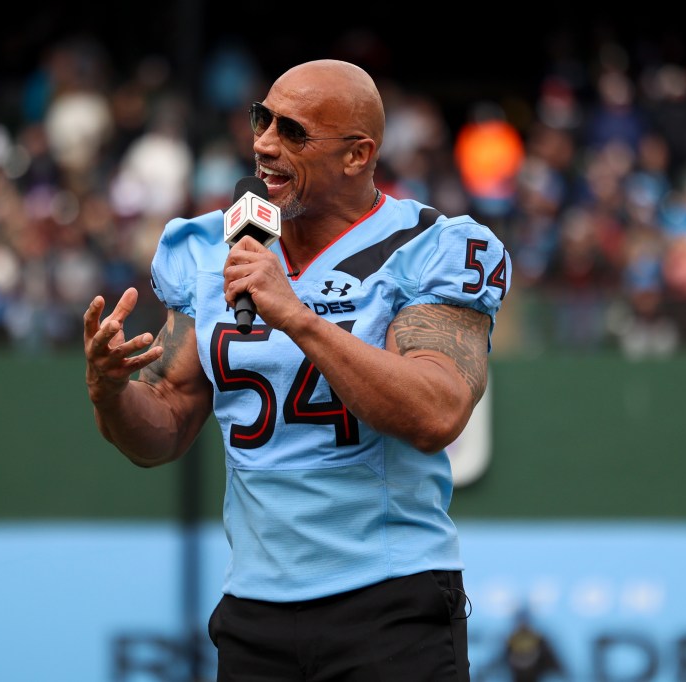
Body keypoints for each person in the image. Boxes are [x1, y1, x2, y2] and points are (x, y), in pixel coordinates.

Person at [84, 59, 511, 681]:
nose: (264, 143)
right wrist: (110, 393)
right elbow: (165, 428)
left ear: (357, 155)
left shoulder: (428, 246)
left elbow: (436, 412)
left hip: (388, 601)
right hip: (255, 611)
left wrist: (299, 317)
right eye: (264, 119)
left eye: (293, 131)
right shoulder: (212, 246)